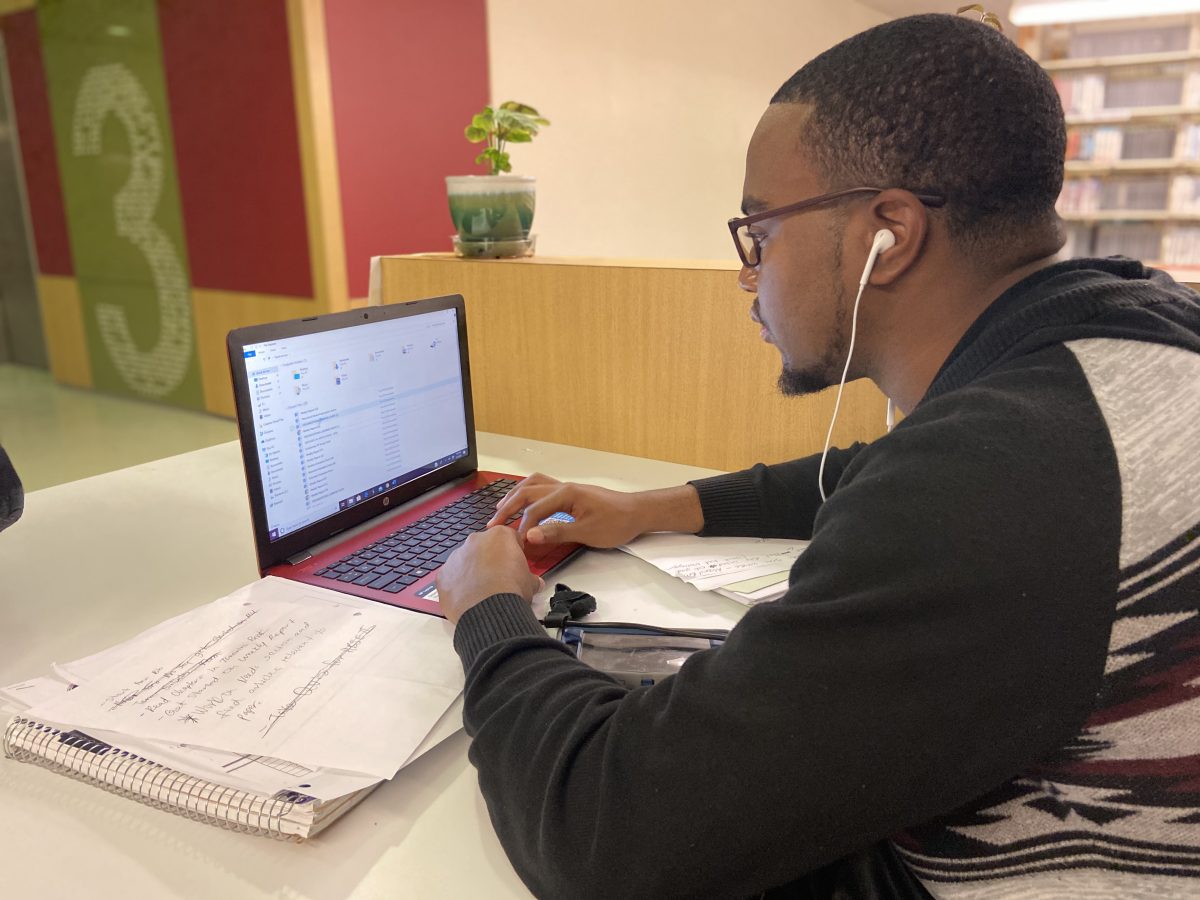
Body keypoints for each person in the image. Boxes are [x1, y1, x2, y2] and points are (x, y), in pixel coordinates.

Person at [434, 14, 1200, 899]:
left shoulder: (994, 485)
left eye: (762, 230)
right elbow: (884, 467)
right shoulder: (1116, 343)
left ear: (890, 235)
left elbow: (605, 835)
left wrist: (490, 613)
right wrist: (658, 504)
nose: (748, 274)